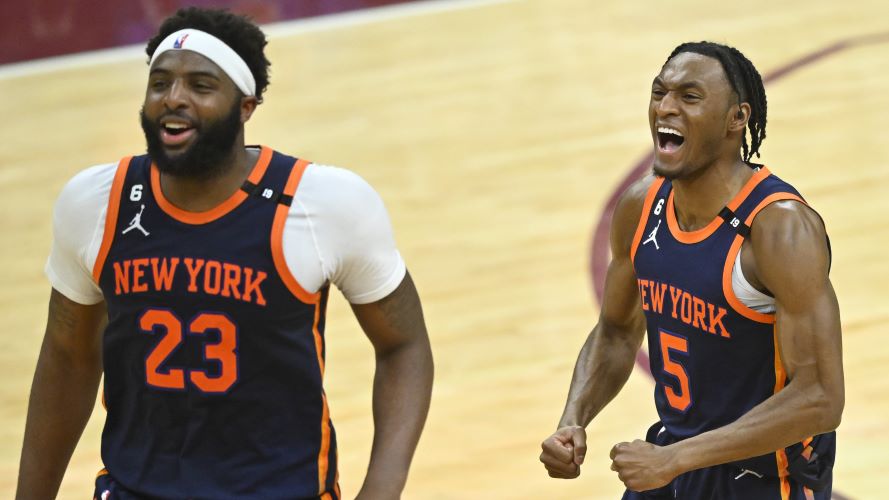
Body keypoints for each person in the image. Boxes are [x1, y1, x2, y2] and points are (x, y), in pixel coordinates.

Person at [16, 7, 433, 500]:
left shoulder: (322, 203)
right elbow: (67, 358)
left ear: (245, 107)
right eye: (160, 83)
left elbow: (404, 346)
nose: (174, 98)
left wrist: (380, 491)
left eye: (201, 85)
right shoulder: (96, 202)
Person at [539, 41, 844, 499]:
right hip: (676, 456)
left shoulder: (779, 230)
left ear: (736, 118)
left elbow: (820, 397)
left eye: (689, 97)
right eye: (659, 92)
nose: (666, 107)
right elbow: (617, 331)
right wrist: (573, 419)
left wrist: (675, 460)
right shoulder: (641, 206)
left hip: (765, 478)